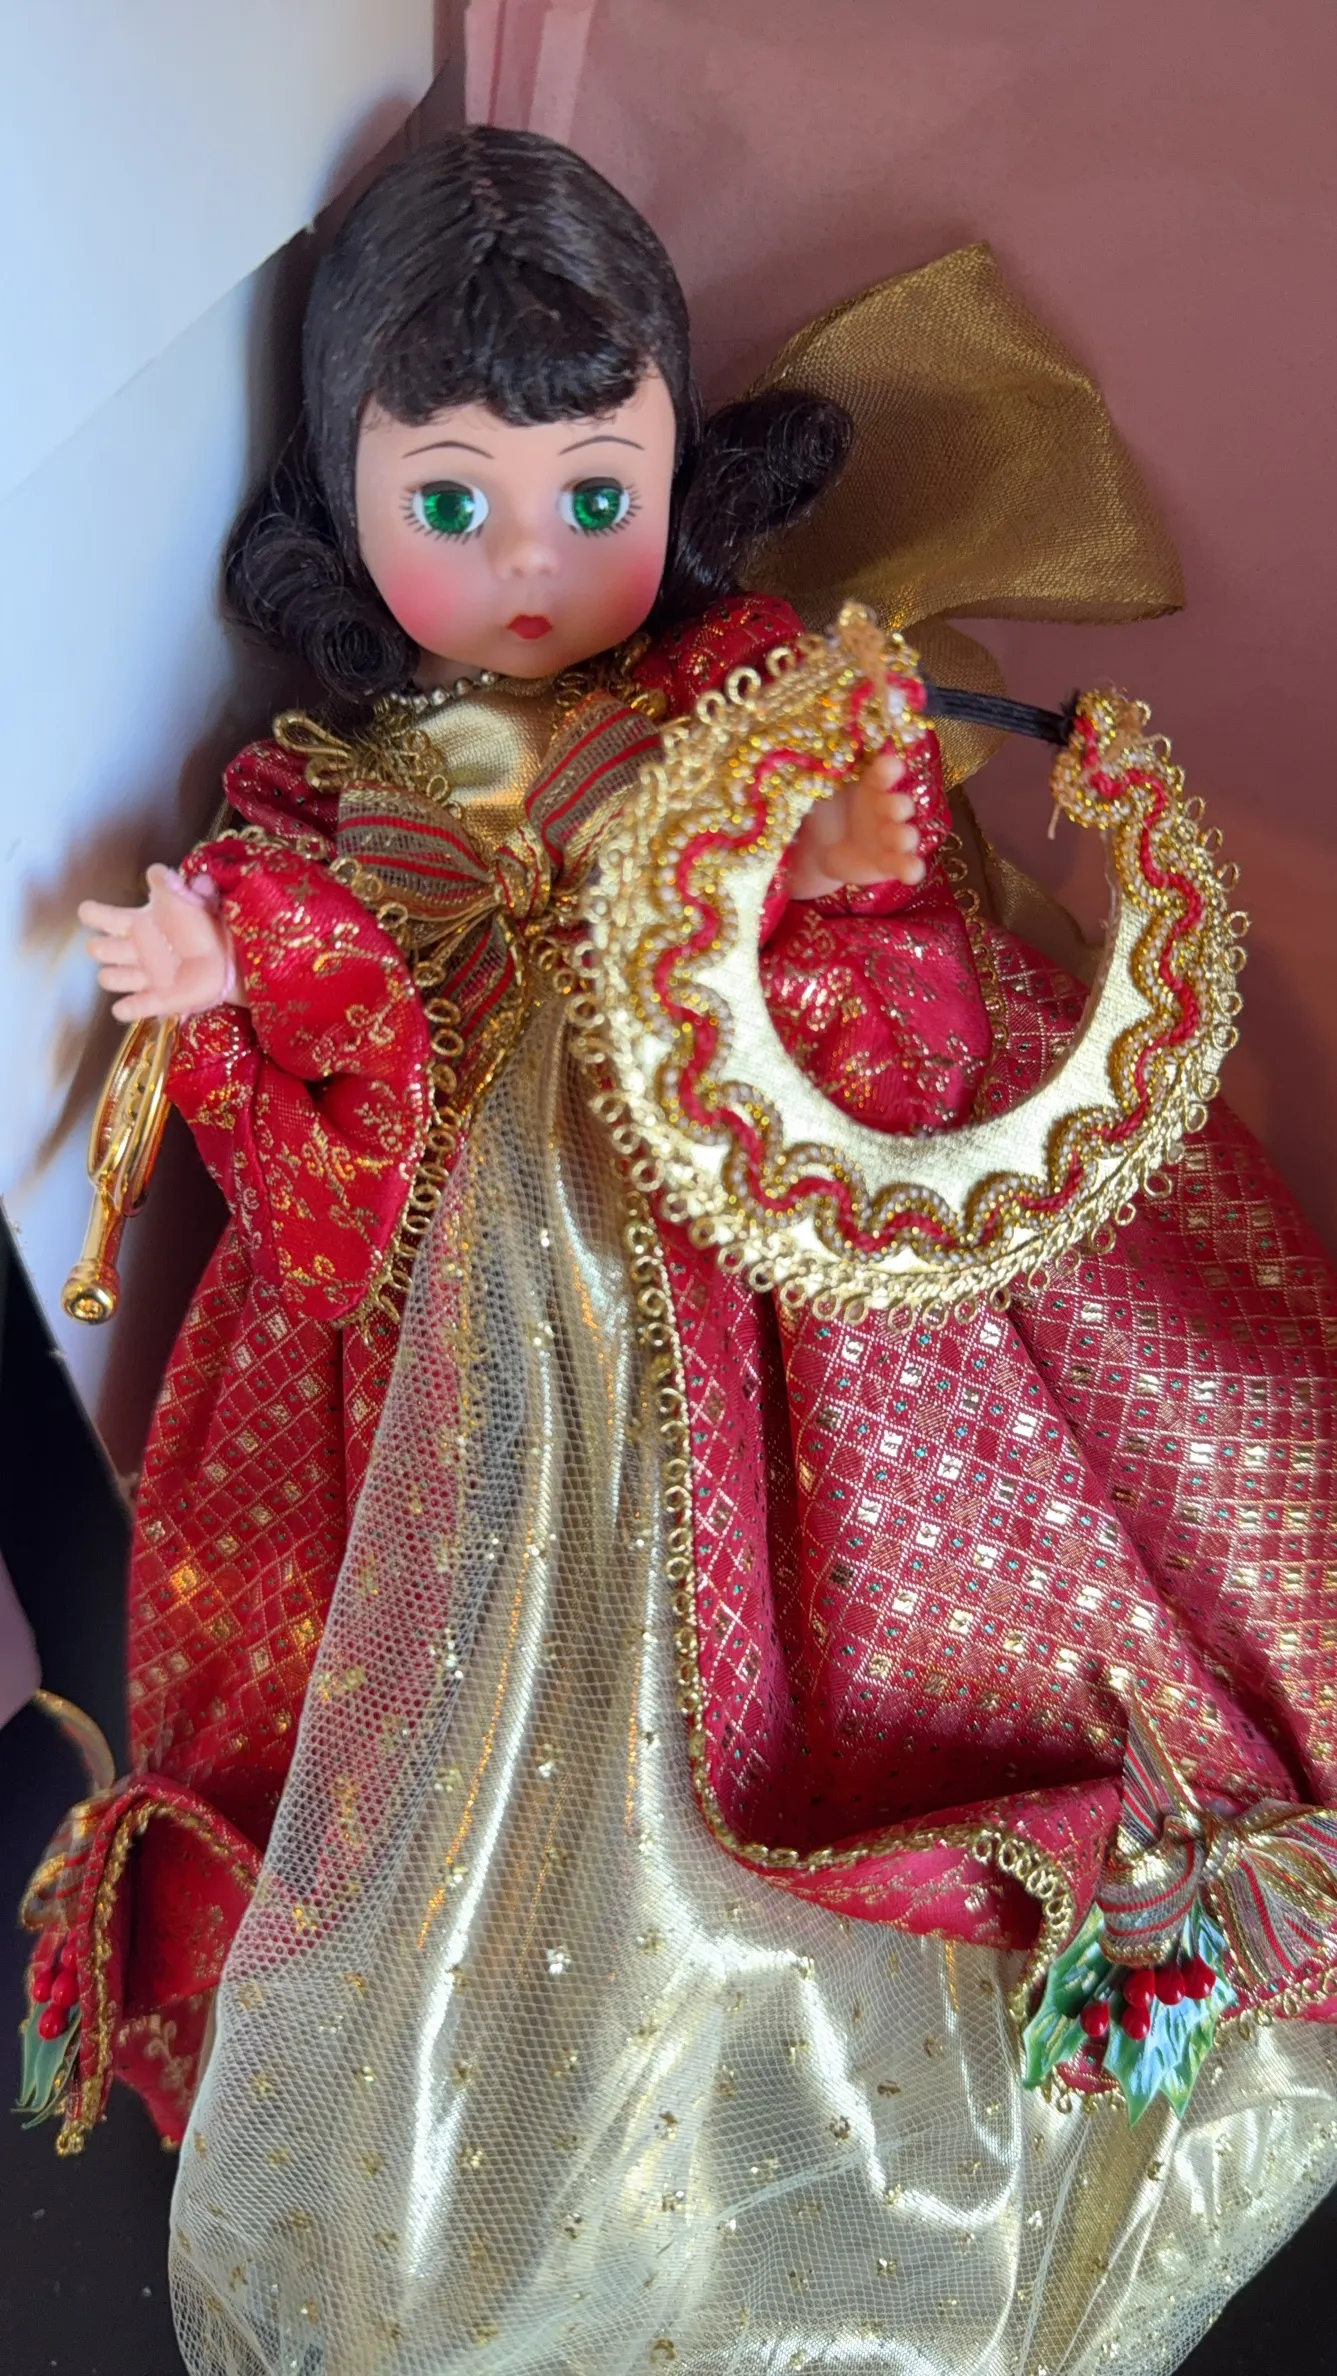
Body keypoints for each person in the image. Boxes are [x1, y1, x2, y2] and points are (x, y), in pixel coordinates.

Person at [28, 127, 1337, 2376]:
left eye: (593, 491)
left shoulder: (744, 705)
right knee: (464, 1704)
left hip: (757, 1249)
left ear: (677, 475)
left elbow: (887, 997)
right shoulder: (339, 787)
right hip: (461, 1326)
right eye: (453, 503)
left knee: (890, 1603)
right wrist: (217, 971)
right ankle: (502, 2124)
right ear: (339, 501)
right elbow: (316, 1061)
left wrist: (832, 876)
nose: (533, 560)